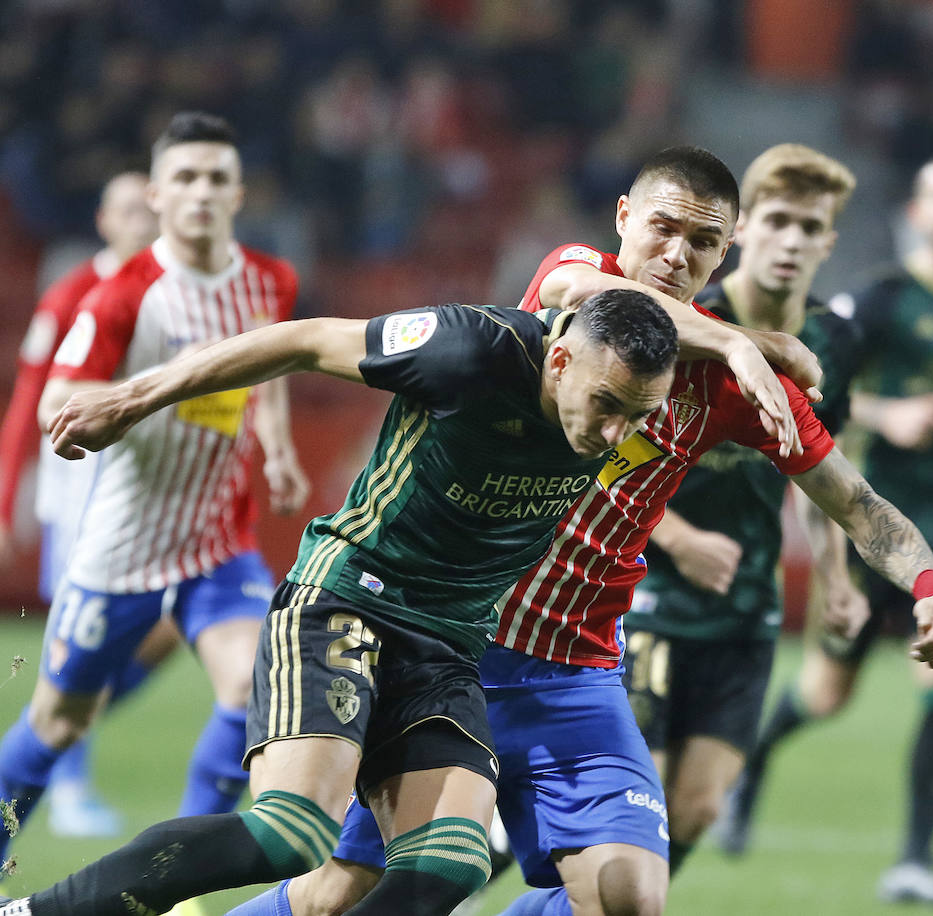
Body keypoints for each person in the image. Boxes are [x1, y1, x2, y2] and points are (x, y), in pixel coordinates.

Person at [223, 146, 933, 916]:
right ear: (623, 220)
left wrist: (930, 585)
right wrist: (740, 338)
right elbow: (582, 287)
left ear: (725, 248)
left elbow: (856, 502)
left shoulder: (734, 389)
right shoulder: (574, 283)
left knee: (626, 895)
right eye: (662, 229)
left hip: (574, 671)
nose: (676, 255)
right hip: (455, 649)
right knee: (336, 895)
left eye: (702, 242)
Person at [2, 288, 683, 916]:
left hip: (446, 647)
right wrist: (133, 398)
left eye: (639, 415)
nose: (618, 433)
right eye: (607, 405)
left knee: (450, 864)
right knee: (289, 835)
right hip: (349, 603)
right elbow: (301, 340)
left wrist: (750, 345)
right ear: (559, 360)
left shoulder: (613, 387)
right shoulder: (467, 350)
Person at [720, 156, 933, 907]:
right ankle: (750, 772)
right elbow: (819, 393)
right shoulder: (881, 302)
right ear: (918, 214)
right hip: (868, 519)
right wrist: (885, 416)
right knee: (827, 696)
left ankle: (916, 859)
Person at [0, 113, 309, 880]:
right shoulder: (120, 295)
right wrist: (135, 400)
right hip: (123, 545)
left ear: (238, 193)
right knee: (60, 721)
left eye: (215, 178)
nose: (201, 192)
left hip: (218, 540)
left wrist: (278, 447)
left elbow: (264, 365)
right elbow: (56, 404)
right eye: (185, 178)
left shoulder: (272, 279)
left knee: (254, 687)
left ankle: (175, 868)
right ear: (158, 195)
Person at [620, 143, 863, 875]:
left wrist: (838, 576)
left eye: (810, 227)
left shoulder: (832, 342)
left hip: (746, 603)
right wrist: (679, 535)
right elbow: (601, 454)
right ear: (743, 232)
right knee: (632, 801)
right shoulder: (686, 319)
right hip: (645, 590)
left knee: (695, 808)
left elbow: (820, 472)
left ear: (829, 241)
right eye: (779, 222)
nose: (792, 242)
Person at [0, 170, 181, 840]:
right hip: (82, 494)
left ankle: (54, 741)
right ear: (104, 221)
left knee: (165, 633)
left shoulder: (176, 294)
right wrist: (5, 499)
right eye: (128, 209)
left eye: (149, 208)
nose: (142, 220)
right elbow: (29, 398)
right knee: (78, 646)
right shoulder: (75, 291)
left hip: (155, 498)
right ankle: (68, 785)